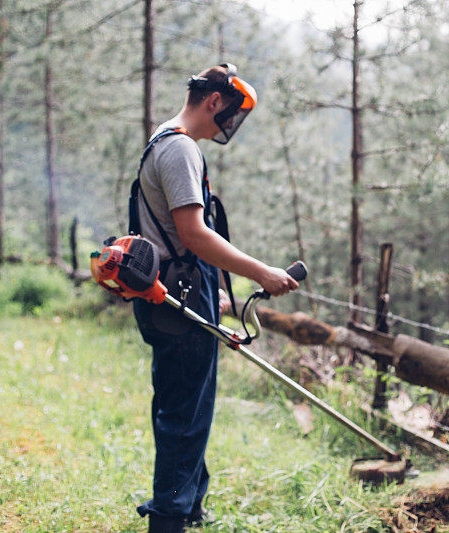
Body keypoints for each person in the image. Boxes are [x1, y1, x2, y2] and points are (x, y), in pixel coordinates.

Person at [130, 64, 298, 533]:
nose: (231, 125)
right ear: (215, 101)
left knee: (183, 405)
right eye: (233, 113)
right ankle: (170, 521)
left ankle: (189, 507)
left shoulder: (161, 138)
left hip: (175, 294)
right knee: (185, 414)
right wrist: (262, 271)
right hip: (178, 297)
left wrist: (214, 296)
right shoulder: (180, 148)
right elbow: (194, 235)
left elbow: (173, 239)